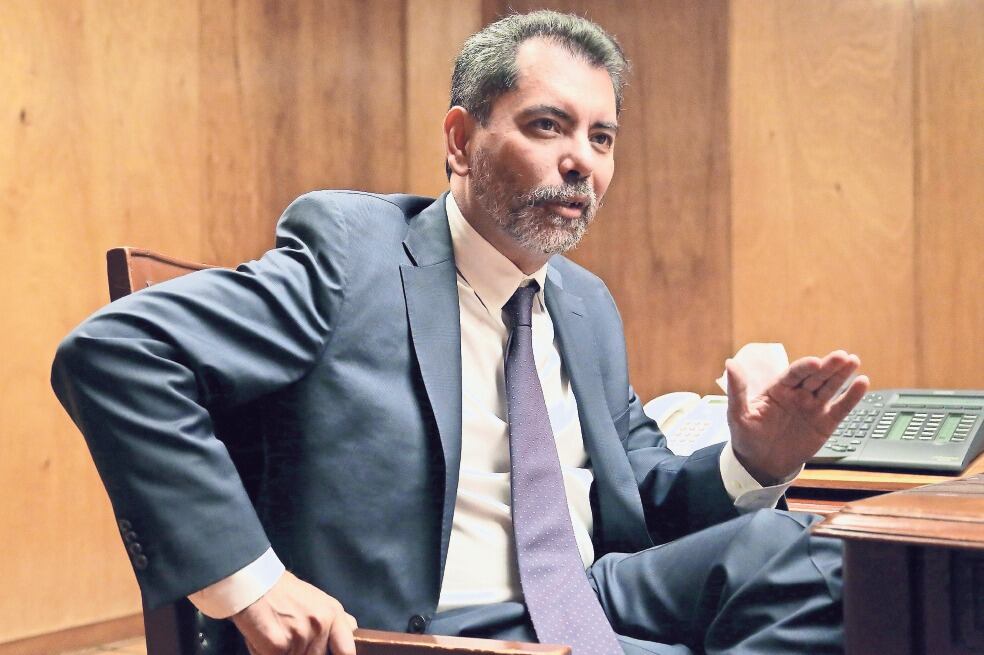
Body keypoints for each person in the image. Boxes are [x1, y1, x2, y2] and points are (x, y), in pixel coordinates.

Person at [52, 10, 868, 655]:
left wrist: (755, 461)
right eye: (547, 126)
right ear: (459, 141)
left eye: (601, 137)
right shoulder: (353, 255)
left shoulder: (585, 304)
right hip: (430, 626)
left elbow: (642, 498)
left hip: (593, 593)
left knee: (829, 556)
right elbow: (118, 352)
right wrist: (252, 582)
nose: (581, 161)